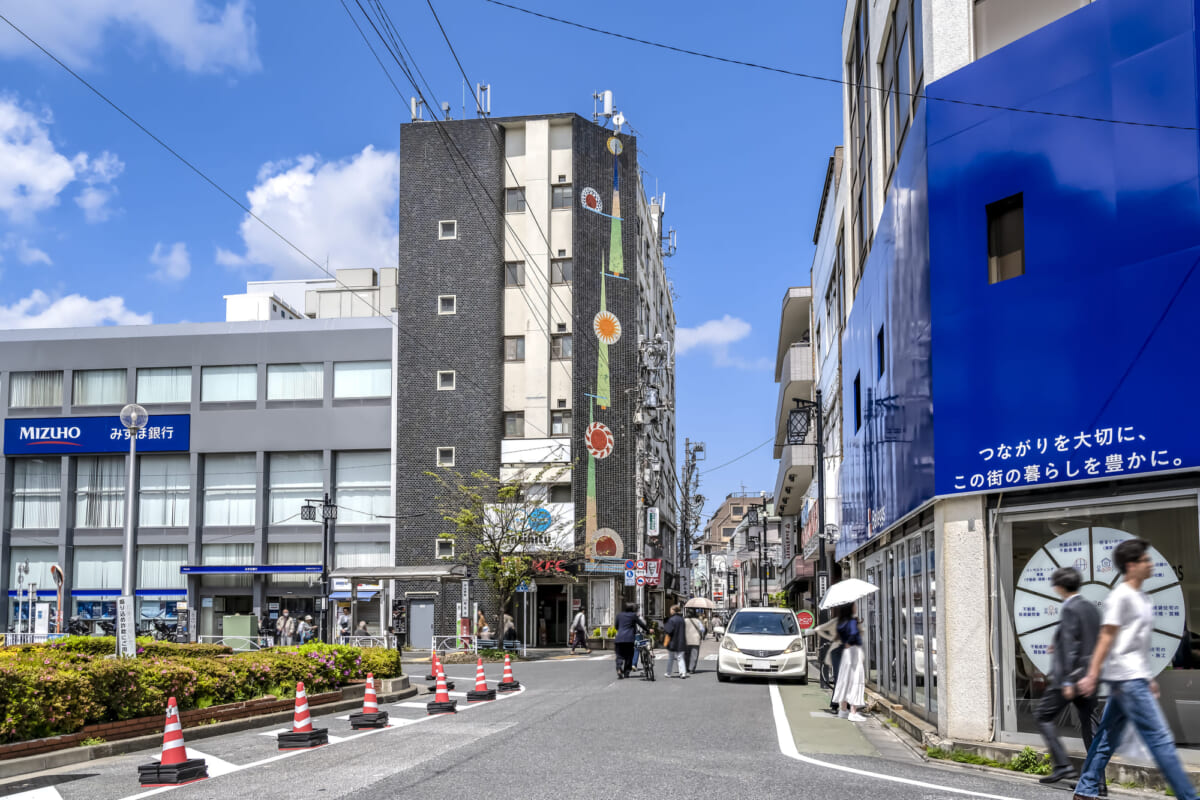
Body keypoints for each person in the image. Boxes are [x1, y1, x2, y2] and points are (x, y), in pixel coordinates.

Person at [1073, 539, 1198, 800]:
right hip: (1127, 680)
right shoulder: (1121, 596)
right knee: (1161, 739)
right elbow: (1107, 637)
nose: (1150, 563)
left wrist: (1148, 676)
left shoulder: (1142, 597)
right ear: (1131, 566)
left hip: (1132, 677)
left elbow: (1137, 643)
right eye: (1145, 560)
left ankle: (1085, 789)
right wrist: (1093, 674)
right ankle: (1189, 796)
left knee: (1106, 737)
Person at [1036, 566, 1101, 787]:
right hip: (1089, 677)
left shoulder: (1070, 608)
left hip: (1071, 678)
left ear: (1060, 587)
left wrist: (1067, 681)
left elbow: (1072, 646)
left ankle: (1062, 766)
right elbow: (1090, 641)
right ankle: (1097, 782)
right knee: (1090, 726)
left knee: (1043, 715)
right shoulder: (1091, 608)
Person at [831, 603, 867, 721]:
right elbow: (853, 635)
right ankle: (853, 711)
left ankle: (843, 710)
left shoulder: (841, 622)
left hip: (846, 653)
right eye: (854, 606)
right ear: (850, 608)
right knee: (855, 679)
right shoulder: (851, 622)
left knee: (845, 680)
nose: (856, 607)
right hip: (853, 651)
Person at [614, 602, 650, 679]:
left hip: (619, 638)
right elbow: (641, 624)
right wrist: (648, 630)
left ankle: (619, 668)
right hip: (629, 639)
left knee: (619, 655)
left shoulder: (619, 615)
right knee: (629, 656)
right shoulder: (633, 615)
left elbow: (616, 626)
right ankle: (626, 672)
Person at [662, 605, 688, 679]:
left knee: (671, 658)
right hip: (681, 641)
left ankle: (668, 673)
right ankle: (683, 673)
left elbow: (669, 630)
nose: (670, 611)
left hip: (673, 641)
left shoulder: (671, 620)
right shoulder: (682, 619)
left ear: (674, 611)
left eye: (671, 610)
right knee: (681, 658)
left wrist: (665, 628)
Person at [684, 609, 705, 674]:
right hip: (695, 640)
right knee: (694, 655)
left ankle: (686, 667)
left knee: (686, 655)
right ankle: (691, 669)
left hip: (686, 640)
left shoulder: (684, 620)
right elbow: (702, 630)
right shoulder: (698, 621)